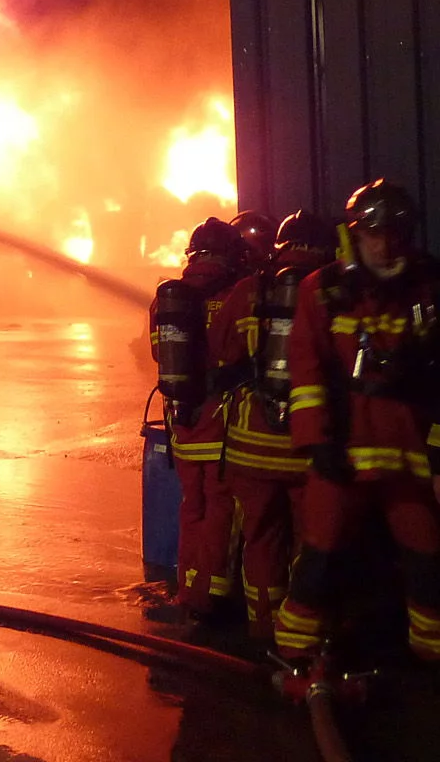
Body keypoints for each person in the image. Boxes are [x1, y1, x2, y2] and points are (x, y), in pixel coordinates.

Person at [275, 179, 440, 663]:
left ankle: (432, 651)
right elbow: (306, 370)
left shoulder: (426, 290)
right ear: (354, 234)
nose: (385, 245)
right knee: (320, 556)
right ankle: (296, 653)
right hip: (343, 453)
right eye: (374, 234)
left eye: (394, 235)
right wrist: (317, 443)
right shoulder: (323, 291)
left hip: (407, 454)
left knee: (428, 557)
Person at [208, 210, 336, 643]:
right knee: (310, 540)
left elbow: (221, 352)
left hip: (250, 444)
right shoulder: (330, 290)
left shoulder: (249, 289)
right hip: (307, 445)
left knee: (260, 538)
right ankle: (302, 634)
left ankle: (263, 627)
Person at [152, 216, 248, 620]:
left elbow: (159, 353)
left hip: (184, 422)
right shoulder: (238, 293)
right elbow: (247, 354)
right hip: (224, 422)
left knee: (192, 506)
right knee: (223, 509)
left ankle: (189, 591)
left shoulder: (167, 298)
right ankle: (214, 598)